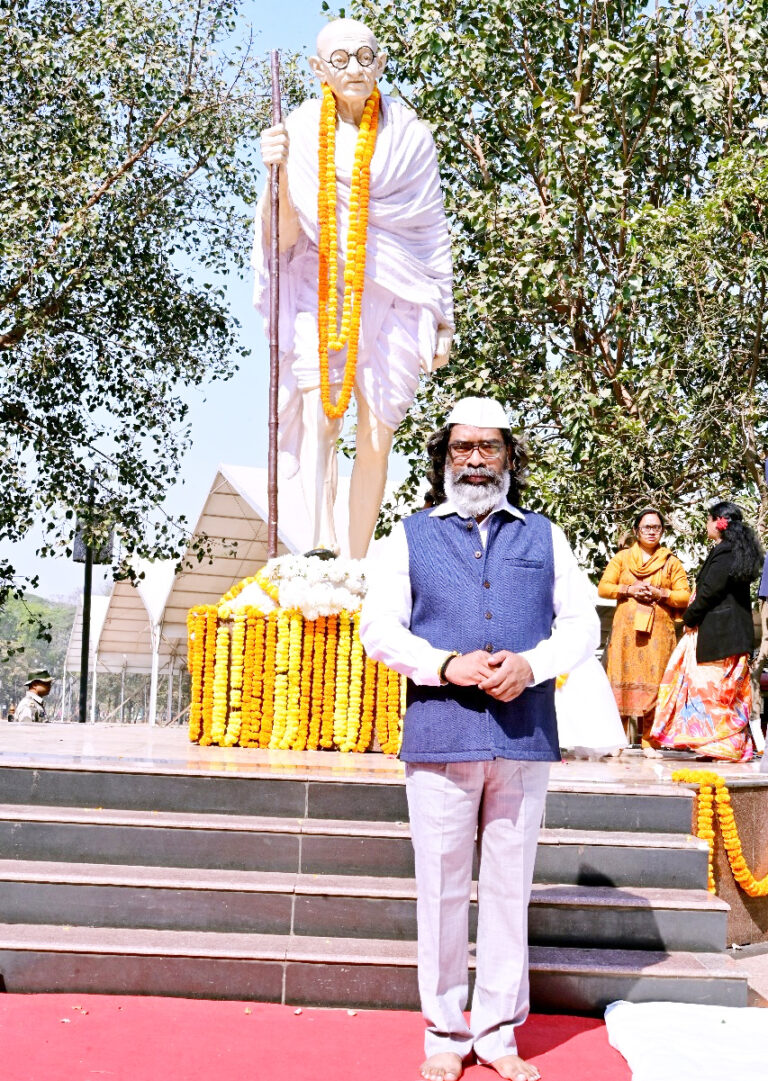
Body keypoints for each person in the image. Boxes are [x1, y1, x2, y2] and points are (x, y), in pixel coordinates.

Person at [360, 396, 599, 1081]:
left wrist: (533, 666)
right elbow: (379, 628)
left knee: (506, 890)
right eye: (461, 447)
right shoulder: (406, 536)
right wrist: (444, 664)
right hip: (440, 734)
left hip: (522, 739)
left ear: (509, 458)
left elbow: (581, 626)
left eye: (487, 447)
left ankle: (496, 1034)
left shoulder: (545, 536)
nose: (473, 459)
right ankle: (444, 1028)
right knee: (438, 888)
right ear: (443, 458)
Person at [255, 17, 453, 559]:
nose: (355, 68)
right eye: (340, 60)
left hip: (395, 295)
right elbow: (284, 237)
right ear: (319, 70)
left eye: (364, 56)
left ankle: (356, 560)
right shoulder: (295, 134)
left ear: (381, 63)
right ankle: (320, 545)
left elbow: (432, 231)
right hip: (321, 287)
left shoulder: (410, 137)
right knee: (323, 416)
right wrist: (274, 174)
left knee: (377, 431)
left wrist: (444, 318)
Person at [651, 501, 764, 761]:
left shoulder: (726, 552)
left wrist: (689, 617)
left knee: (710, 691)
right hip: (730, 633)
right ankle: (718, 747)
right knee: (723, 694)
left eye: (708, 520)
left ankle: (722, 747)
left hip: (719, 633)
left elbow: (710, 591)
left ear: (718, 522)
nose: (706, 525)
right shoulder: (737, 550)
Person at [597, 509, 690, 754]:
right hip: (626, 633)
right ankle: (617, 741)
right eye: (646, 527)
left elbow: (684, 595)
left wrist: (662, 593)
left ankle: (650, 741)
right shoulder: (623, 558)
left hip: (658, 635)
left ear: (662, 531)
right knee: (620, 681)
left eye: (656, 527)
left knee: (656, 683)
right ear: (637, 530)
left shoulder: (671, 561)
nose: (651, 531)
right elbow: (604, 588)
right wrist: (629, 589)